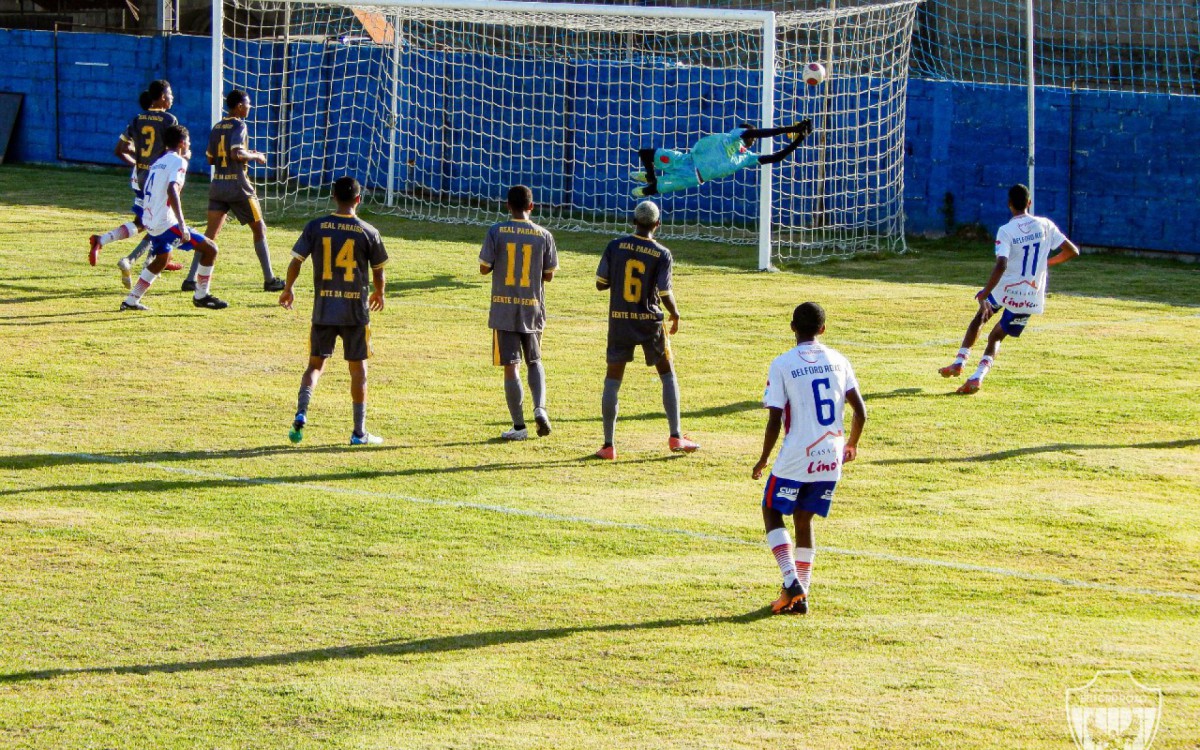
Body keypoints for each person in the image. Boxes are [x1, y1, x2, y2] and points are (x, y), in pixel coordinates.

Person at [752, 302, 867, 615]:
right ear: (823, 329)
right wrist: (852, 444)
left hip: (797, 453)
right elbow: (861, 411)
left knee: (771, 508)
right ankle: (801, 597)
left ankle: (792, 581)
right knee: (804, 520)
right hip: (830, 454)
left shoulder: (782, 364)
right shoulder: (840, 360)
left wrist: (763, 459)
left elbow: (774, 419)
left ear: (792, 327)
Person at [939, 184, 1081, 393]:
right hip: (1029, 294)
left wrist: (985, 292)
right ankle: (977, 377)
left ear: (1009, 204)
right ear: (1029, 203)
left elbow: (1001, 264)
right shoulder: (1046, 225)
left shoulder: (1006, 231)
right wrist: (1045, 263)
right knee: (996, 337)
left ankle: (959, 362)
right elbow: (1072, 251)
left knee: (981, 317)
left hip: (1005, 288)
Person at [280, 176, 388, 446]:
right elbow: (378, 270)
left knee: (314, 366)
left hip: (324, 309)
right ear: (358, 199)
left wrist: (288, 288)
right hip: (355, 312)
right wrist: (379, 292)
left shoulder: (316, 226)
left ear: (333, 197)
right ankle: (359, 433)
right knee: (358, 370)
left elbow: (296, 261)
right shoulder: (368, 231)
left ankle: (302, 411)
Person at [594, 201, 699, 459]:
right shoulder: (661, 253)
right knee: (667, 374)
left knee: (612, 380)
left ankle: (608, 445)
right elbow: (664, 291)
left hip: (620, 320)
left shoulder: (614, 246)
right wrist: (675, 313)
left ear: (633, 221)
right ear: (657, 224)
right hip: (650, 321)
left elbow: (600, 283)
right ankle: (676, 435)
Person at [183, 89, 283, 294]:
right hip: (238, 186)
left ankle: (190, 279)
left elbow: (210, 158)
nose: (249, 107)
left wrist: (245, 154)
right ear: (239, 106)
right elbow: (236, 153)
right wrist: (256, 156)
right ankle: (269, 279)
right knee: (259, 229)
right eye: (247, 104)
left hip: (218, 185)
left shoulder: (217, 127)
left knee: (209, 235)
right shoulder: (239, 125)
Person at [479, 185, 558, 440]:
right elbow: (549, 275)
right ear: (531, 206)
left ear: (507, 206)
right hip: (532, 306)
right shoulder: (544, 235)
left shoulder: (496, 231)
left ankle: (519, 427)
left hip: (503, 308)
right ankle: (540, 409)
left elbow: (484, 268)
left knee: (511, 367)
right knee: (535, 361)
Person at [120, 125, 226, 312]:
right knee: (210, 249)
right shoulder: (178, 161)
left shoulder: (158, 162)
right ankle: (201, 296)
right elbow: (172, 189)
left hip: (151, 220)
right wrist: (182, 224)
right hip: (165, 223)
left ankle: (131, 301)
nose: (190, 145)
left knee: (162, 259)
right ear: (182, 143)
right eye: (188, 142)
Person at [90, 81, 184, 282]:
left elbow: (120, 149)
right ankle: (141, 261)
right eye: (170, 94)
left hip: (140, 176)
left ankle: (104, 241)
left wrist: (139, 163)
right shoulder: (169, 119)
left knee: (144, 222)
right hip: (158, 177)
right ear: (162, 97)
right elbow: (173, 148)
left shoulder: (137, 119)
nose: (172, 98)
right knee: (161, 222)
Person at [632, 119, 813, 197]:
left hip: (692, 177)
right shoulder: (735, 135)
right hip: (687, 159)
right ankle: (650, 176)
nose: (754, 139)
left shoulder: (747, 157)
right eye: (752, 136)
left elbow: (776, 157)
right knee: (645, 153)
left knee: (652, 190)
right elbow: (760, 132)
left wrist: (800, 138)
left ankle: (650, 184)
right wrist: (790, 129)